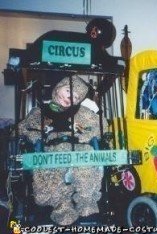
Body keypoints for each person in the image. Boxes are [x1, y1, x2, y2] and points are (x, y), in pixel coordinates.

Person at [18, 75, 106, 225]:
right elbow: (23, 127)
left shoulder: (82, 112)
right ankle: (62, 206)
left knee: (87, 165)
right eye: (68, 92)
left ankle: (86, 203)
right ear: (59, 88)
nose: (71, 98)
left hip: (78, 148)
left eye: (77, 97)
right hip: (52, 150)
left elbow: (101, 124)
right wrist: (35, 135)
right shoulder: (40, 112)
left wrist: (87, 134)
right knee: (50, 172)